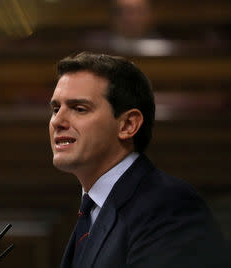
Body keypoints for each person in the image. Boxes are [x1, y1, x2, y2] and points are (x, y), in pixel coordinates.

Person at [49, 52, 228, 267]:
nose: (57, 121)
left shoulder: (168, 207)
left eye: (79, 109)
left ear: (127, 125)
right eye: (56, 108)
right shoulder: (93, 208)